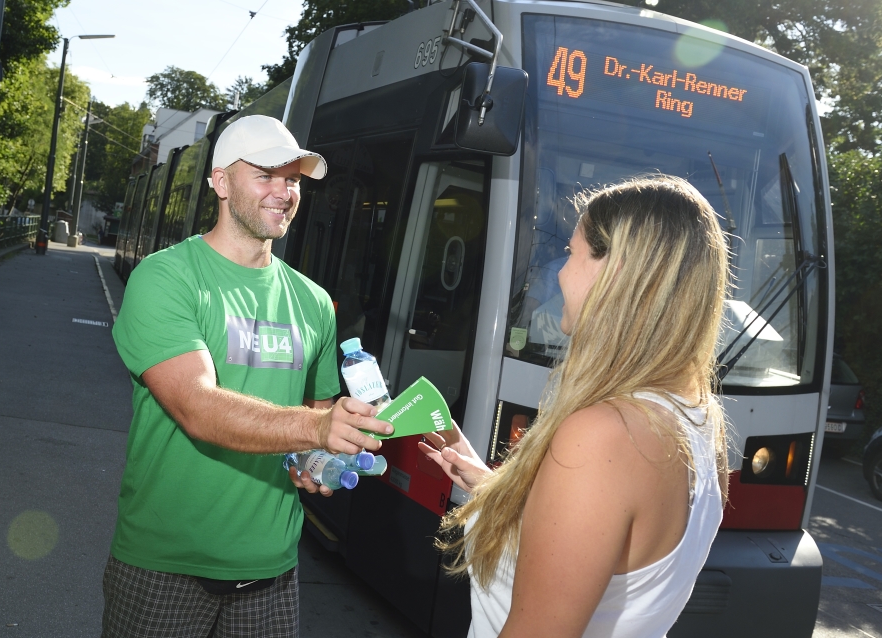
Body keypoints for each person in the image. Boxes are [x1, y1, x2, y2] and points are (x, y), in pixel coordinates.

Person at [103, 115, 392, 638]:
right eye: (266, 175)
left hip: (272, 569)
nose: (283, 192)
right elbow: (196, 406)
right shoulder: (165, 278)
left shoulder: (313, 301)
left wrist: (319, 455)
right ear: (220, 182)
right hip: (164, 562)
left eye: (294, 179)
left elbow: (317, 415)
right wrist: (314, 430)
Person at [420, 175, 730, 637]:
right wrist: (493, 490)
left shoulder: (604, 434)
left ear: (618, 273)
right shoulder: (701, 421)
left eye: (570, 252)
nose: (560, 272)